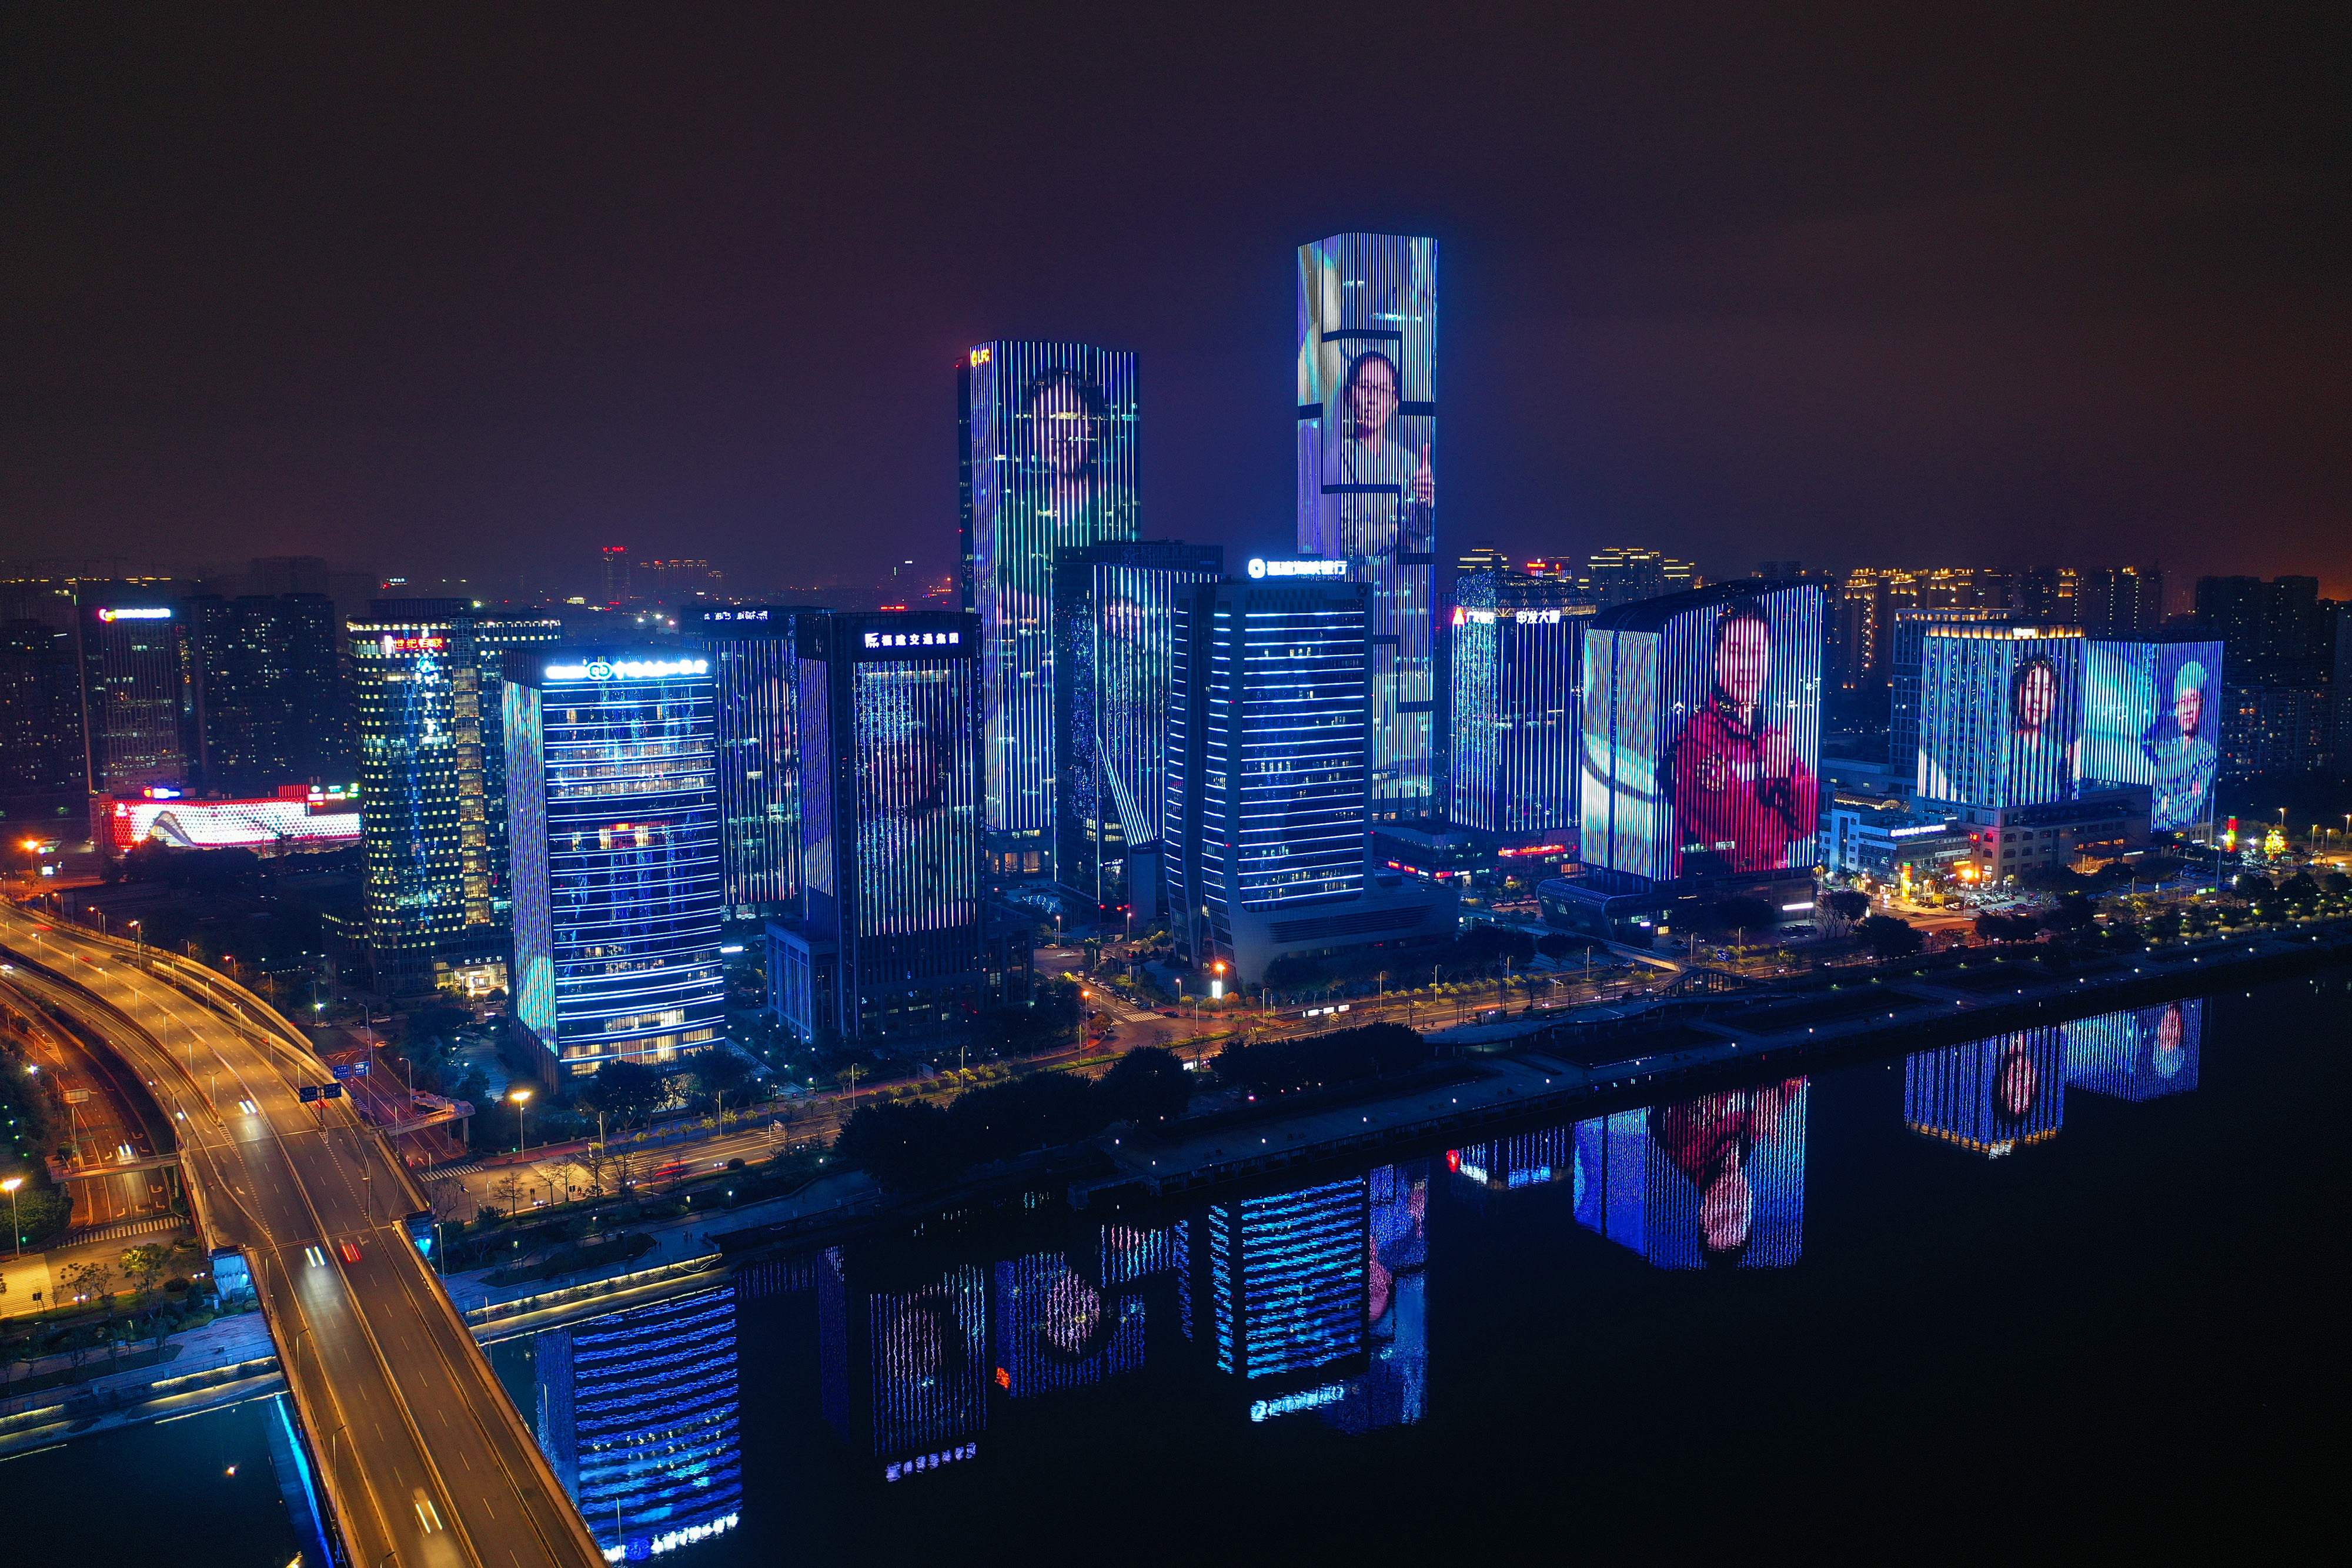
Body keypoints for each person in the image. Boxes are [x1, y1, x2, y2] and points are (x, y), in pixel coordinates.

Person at [1666, 598, 1819, 874]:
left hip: (1769, 882)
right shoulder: (1696, 737)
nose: (1747, 666)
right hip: (1711, 888)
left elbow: (1806, 826)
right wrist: (1781, 795)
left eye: (1758, 652)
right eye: (1737, 652)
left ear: (1769, 659)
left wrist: (1788, 776)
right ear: (1717, 658)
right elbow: (1728, 830)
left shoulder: (1773, 735)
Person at [1646, 1079, 1804, 1266]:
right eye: (1738, 1215)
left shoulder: (1683, 1145)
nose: (1730, 1204)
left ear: (1703, 1212)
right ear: (1750, 1207)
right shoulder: (1760, 1131)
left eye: (1720, 1218)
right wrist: (1776, 1094)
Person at [1332, 349, 1434, 562]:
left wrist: (1427, 504)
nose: (1373, 399)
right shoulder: (1330, 460)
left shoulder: (1409, 464)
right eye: (1365, 387)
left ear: (1395, 402)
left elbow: (1420, 536)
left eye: (1383, 390)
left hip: (1396, 582)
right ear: (1348, 395)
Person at [2141, 659, 2217, 829]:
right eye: (2182, 702)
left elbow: (2190, 807)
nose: (2188, 709)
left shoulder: (2206, 753)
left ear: (2203, 705)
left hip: (2173, 828)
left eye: (2193, 700)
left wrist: (2165, 803)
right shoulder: (2168, 747)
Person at [2006, 654, 2077, 803]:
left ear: (2055, 695)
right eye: (2032, 688)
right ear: (2019, 691)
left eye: (2046, 690)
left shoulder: (2062, 751)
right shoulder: (2002, 746)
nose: (2038, 699)